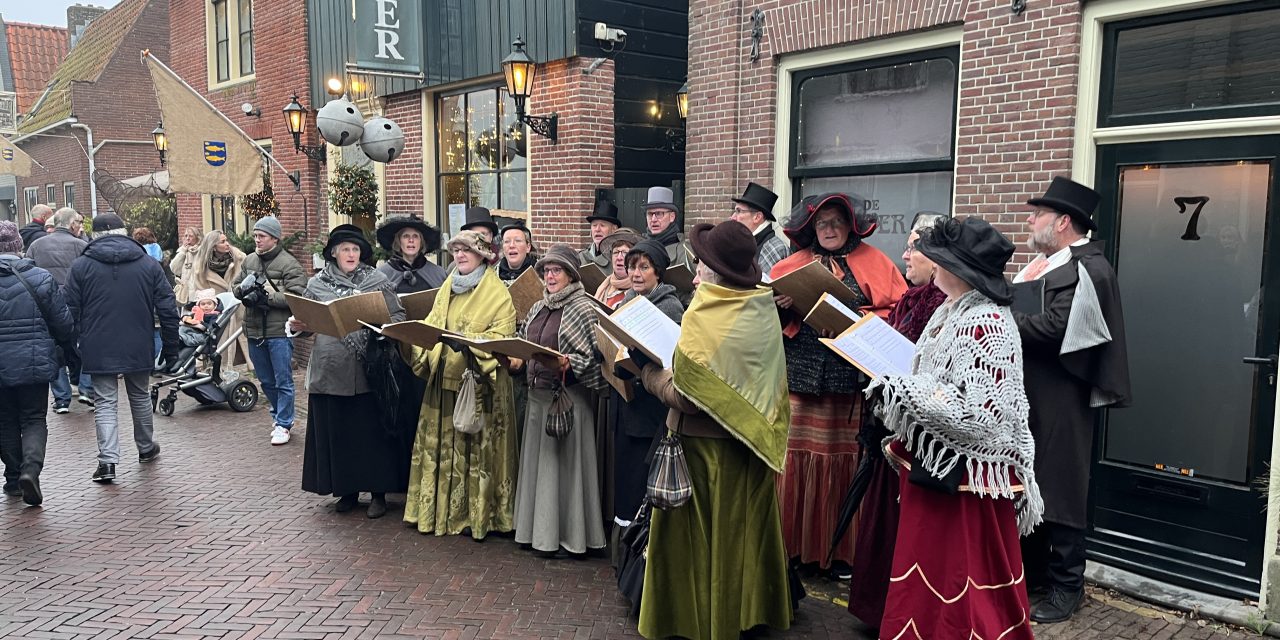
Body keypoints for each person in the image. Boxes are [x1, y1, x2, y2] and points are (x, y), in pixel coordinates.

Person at [869, 216, 1042, 640]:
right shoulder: (949, 311)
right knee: (927, 577)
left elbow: (981, 415)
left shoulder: (987, 324)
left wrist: (904, 391)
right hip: (937, 472)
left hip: (966, 482)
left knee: (962, 586)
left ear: (958, 270)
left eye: (939, 258)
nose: (928, 261)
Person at [636, 221, 793, 639]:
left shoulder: (707, 313)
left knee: (703, 544)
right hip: (751, 447)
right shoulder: (761, 309)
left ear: (717, 271)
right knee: (742, 538)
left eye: (701, 265)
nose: (694, 274)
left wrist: (646, 372)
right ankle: (744, 613)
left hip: (704, 452)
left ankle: (699, 619)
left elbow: (688, 397)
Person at [770, 193, 906, 580]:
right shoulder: (791, 265)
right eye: (821, 223)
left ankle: (840, 552)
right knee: (795, 461)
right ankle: (793, 548)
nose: (828, 229)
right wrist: (781, 304)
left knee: (845, 463)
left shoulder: (875, 261)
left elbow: (896, 310)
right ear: (811, 227)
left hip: (849, 380)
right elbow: (766, 317)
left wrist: (855, 315)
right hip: (801, 376)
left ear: (850, 225)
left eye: (836, 222)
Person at [1013, 177, 1131, 623]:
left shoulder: (1090, 269)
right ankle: (1035, 574)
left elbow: (1060, 327)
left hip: (1064, 394)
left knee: (1061, 484)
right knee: (1032, 480)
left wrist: (1004, 320)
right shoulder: (1043, 265)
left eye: (1038, 214)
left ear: (1063, 222)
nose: (1030, 220)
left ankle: (1068, 587)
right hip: (1030, 393)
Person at [846, 211, 950, 629]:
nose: (904, 255)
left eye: (913, 248)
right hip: (890, 422)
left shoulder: (942, 305)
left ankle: (900, 612)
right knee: (884, 519)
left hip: (917, 432)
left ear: (935, 257)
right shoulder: (910, 297)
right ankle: (878, 608)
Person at [403, 230, 518, 540]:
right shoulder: (448, 287)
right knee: (441, 450)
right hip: (444, 385)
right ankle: (440, 512)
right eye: (455, 251)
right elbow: (432, 323)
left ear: (482, 255)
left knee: (477, 452)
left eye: (466, 251)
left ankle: (478, 517)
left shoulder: (498, 293)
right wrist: (408, 338)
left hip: (481, 388)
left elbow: (503, 339)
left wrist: (471, 346)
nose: (460, 256)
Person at [290, 224, 407, 519]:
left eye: (355, 250)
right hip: (331, 370)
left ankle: (378, 493)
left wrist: (381, 328)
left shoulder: (377, 280)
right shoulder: (316, 285)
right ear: (334, 253)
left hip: (370, 369)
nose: (351, 254)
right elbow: (306, 325)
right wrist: (297, 327)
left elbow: (398, 314)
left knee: (372, 433)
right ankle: (347, 490)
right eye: (345, 249)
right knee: (339, 432)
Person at [65, 213, 180, 483]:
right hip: (138, 341)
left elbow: (68, 310)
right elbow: (167, 307)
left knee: (105, 402)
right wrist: (172, 347)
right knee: (139, 396)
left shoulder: (81, 266)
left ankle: (107, 462)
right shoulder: (148, 265)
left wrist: (70, 347)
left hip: (97, 343)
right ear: (124, 231)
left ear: (95, 235)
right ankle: (146, 447)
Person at [509, 244, 608, 556]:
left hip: (568, 402)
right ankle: (537, 534)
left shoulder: (583, 308)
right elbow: (525, 345)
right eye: (546, 271)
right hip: (538, 401)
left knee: (565, 473)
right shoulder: (539, 307)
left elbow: (596, 360)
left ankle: (570, 538)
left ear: (570, 274)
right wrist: (510, 359)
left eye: (556, 270)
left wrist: (566, 364)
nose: (550, 276)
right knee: (541, 471)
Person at [610, 238, 685, 534]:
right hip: (627, 402)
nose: (636, 273)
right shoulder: (629, 301)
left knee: (642, 477)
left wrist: (638, 360)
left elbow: (670, 358)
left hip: (651, 408)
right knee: (625, 477)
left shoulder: (668, 305)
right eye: (632, 267)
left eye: (644, 267)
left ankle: (643, 546)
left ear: (658, 272)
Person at [0, 221, 77, 506]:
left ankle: (14, 476)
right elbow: (63, 323)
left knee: (5, 420)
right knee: (33, 418)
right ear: (17, 246)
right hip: (33, 360)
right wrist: (68, 351)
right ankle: (30, 471)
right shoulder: (40, 278)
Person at [234, 216, 307, 446]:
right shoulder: (249, 261)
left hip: (278, 331)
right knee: (265, 380)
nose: (257, 240)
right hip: (255, 329)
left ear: (274, 238)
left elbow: (297, 295)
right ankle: (278, 416)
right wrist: (242, 291)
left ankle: (284, 423)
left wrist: (268, 298)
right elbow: (235, 287)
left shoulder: (289, 264)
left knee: (283, 379)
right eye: (255, 236)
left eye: (261, 236)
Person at [27, 207, 92, 414]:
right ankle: (86, 389)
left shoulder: (37, 245)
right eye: (79, 223)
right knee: (85, 344)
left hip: (45, 304)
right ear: (72, 224)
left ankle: (62, 398)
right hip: (77, 304)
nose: (81, 227)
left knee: (53, 351)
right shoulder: (81, 245)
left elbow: (27, 272)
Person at [185, 230, 250, 368]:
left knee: (243, 353)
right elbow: (199, 293)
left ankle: (239, 381)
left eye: (227, 240)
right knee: (218, 354)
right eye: (222, 241)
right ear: (213, 246)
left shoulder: (240, 259)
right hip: (216, 316)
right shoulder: (200, 269)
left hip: (238, 312)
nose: (227, 244)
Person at [641, 187, 696, 304]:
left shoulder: (686, 251)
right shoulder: (639, 249)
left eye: (659, 214)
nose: (653, 219)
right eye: (650, 214)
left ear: (672, 217)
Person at [375, 214, 447, 294]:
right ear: (398, 241)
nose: (411, 240)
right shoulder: (382, 274)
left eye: (415, 236)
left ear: (421, 242)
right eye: (406, 236)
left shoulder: (438, 273)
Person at [728, 181, 789, 275]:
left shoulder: (775, 249)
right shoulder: (743, 243)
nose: (732, 217)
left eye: (739, 211)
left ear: (757, 217)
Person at [173, 288, 223, 369]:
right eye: (203, 304)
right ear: (199, 306)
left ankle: (181, 341)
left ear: (214, 305)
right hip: (192, 333)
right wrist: (186, 318)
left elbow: (211, 327)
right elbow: (188, 317)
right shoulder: (198, 313)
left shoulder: (214, 315)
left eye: (209, 304)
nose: (206, 306)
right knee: (181, 329)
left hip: (203, 336)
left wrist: (200, 323)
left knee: (188, 342)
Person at [593, 228, 641, 309]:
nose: (619, 258)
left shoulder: (643, 289)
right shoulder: (603, 288)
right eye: (616, 252)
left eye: (625, 253)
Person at [578, 199, 621, 270]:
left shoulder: (620, 257)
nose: (597, 229)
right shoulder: (581, 257)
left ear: (614, 229)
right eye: (594, 225)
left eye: (602, 225)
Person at [170, 226, 203, 305]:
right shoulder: (182, 251)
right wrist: (183, 252)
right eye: (186, 236)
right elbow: (174, 269)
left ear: (197, 238)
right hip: (185, 294)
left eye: (191, 236)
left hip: (199, 292)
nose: (188, 238)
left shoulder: (202, 251)